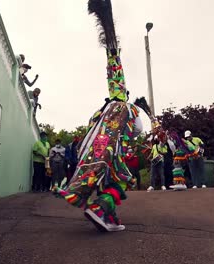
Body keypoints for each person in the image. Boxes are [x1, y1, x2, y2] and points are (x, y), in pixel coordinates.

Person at [53, 0, 145, 233]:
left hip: (94, 156)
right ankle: (101, 209)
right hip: (114, 154)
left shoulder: (100, 113)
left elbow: (87, 137)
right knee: (121, 179)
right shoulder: (127, 109)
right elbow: (138, 130)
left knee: (109, 182)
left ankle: (109, 219)